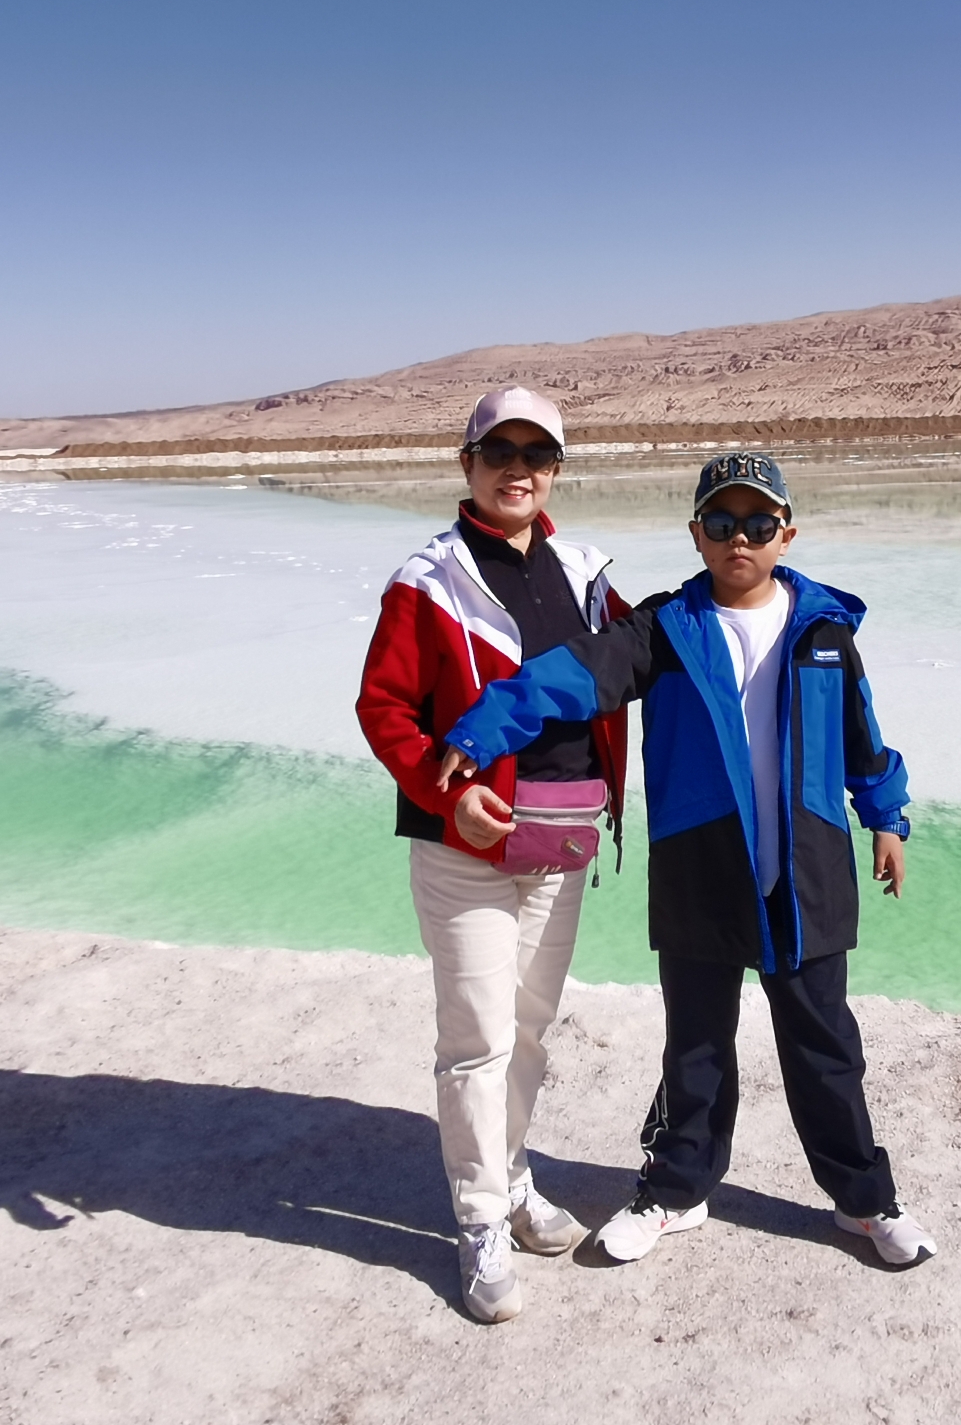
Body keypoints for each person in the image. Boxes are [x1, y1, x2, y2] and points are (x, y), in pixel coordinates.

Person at [437, 451, 937, 1269]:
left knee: (826, 1047)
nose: (741, 538)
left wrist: (886, 818)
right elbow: (573, 678)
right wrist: (484, 726)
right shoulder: (664, 630)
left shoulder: (824, 631)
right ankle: (676, 1191)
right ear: (697, 534)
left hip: (807, 873)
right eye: (722, 522)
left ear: (786, 534)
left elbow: (862, 738)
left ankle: (864, 1201)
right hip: (700, 868)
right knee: (697, 1046)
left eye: (759, 523)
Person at [353, 387, 629, 1324]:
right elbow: (383, 708)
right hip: (465, 846)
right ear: (467, 464)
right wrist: (448, 795)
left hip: (560, 835)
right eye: (499, 452)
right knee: (478, 1039)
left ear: (556, 469)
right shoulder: (428, 581)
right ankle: (478, 1222)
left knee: (532, 1027)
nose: (519, 469)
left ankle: (511, 1180)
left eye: (537, 454)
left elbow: (643, 655)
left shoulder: (585, 573)